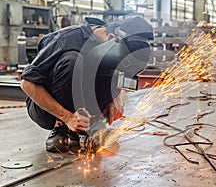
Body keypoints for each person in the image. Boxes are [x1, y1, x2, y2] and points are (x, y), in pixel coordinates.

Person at [20, 16, 153, 153]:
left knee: (110, 68)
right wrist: (68, 118)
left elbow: (122, 77)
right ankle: (61, 128)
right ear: (111, 37)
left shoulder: (115, 47)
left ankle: (89, 124)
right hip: (45, 111)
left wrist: (115, 99)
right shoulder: (67, 39)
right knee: (73, 60)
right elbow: (27, 83)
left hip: (84, 103)